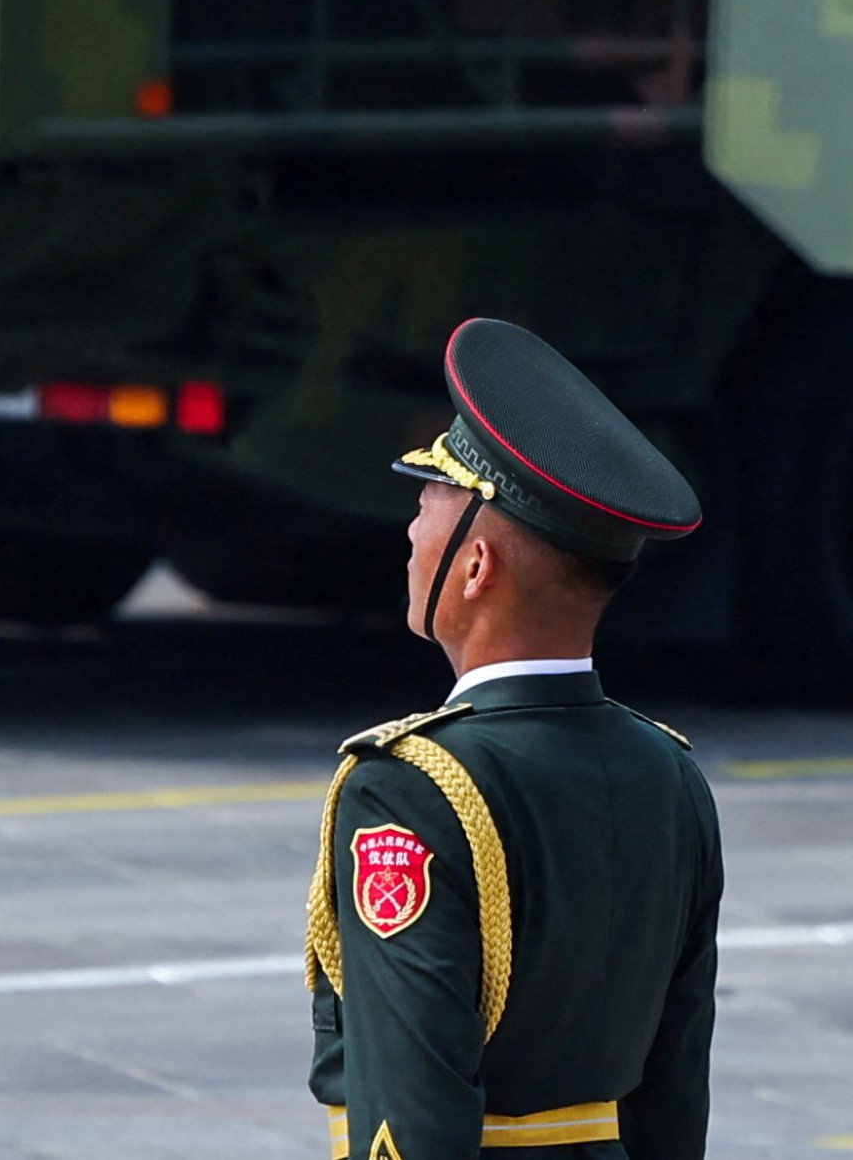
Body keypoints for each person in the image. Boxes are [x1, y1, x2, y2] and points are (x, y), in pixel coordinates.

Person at [308, 318, 719, 1160]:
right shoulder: (670, 775)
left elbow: (415, 1109)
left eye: (429, 503)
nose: (413, 533)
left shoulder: (410, 788)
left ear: (476, 565)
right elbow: (674, 1091)